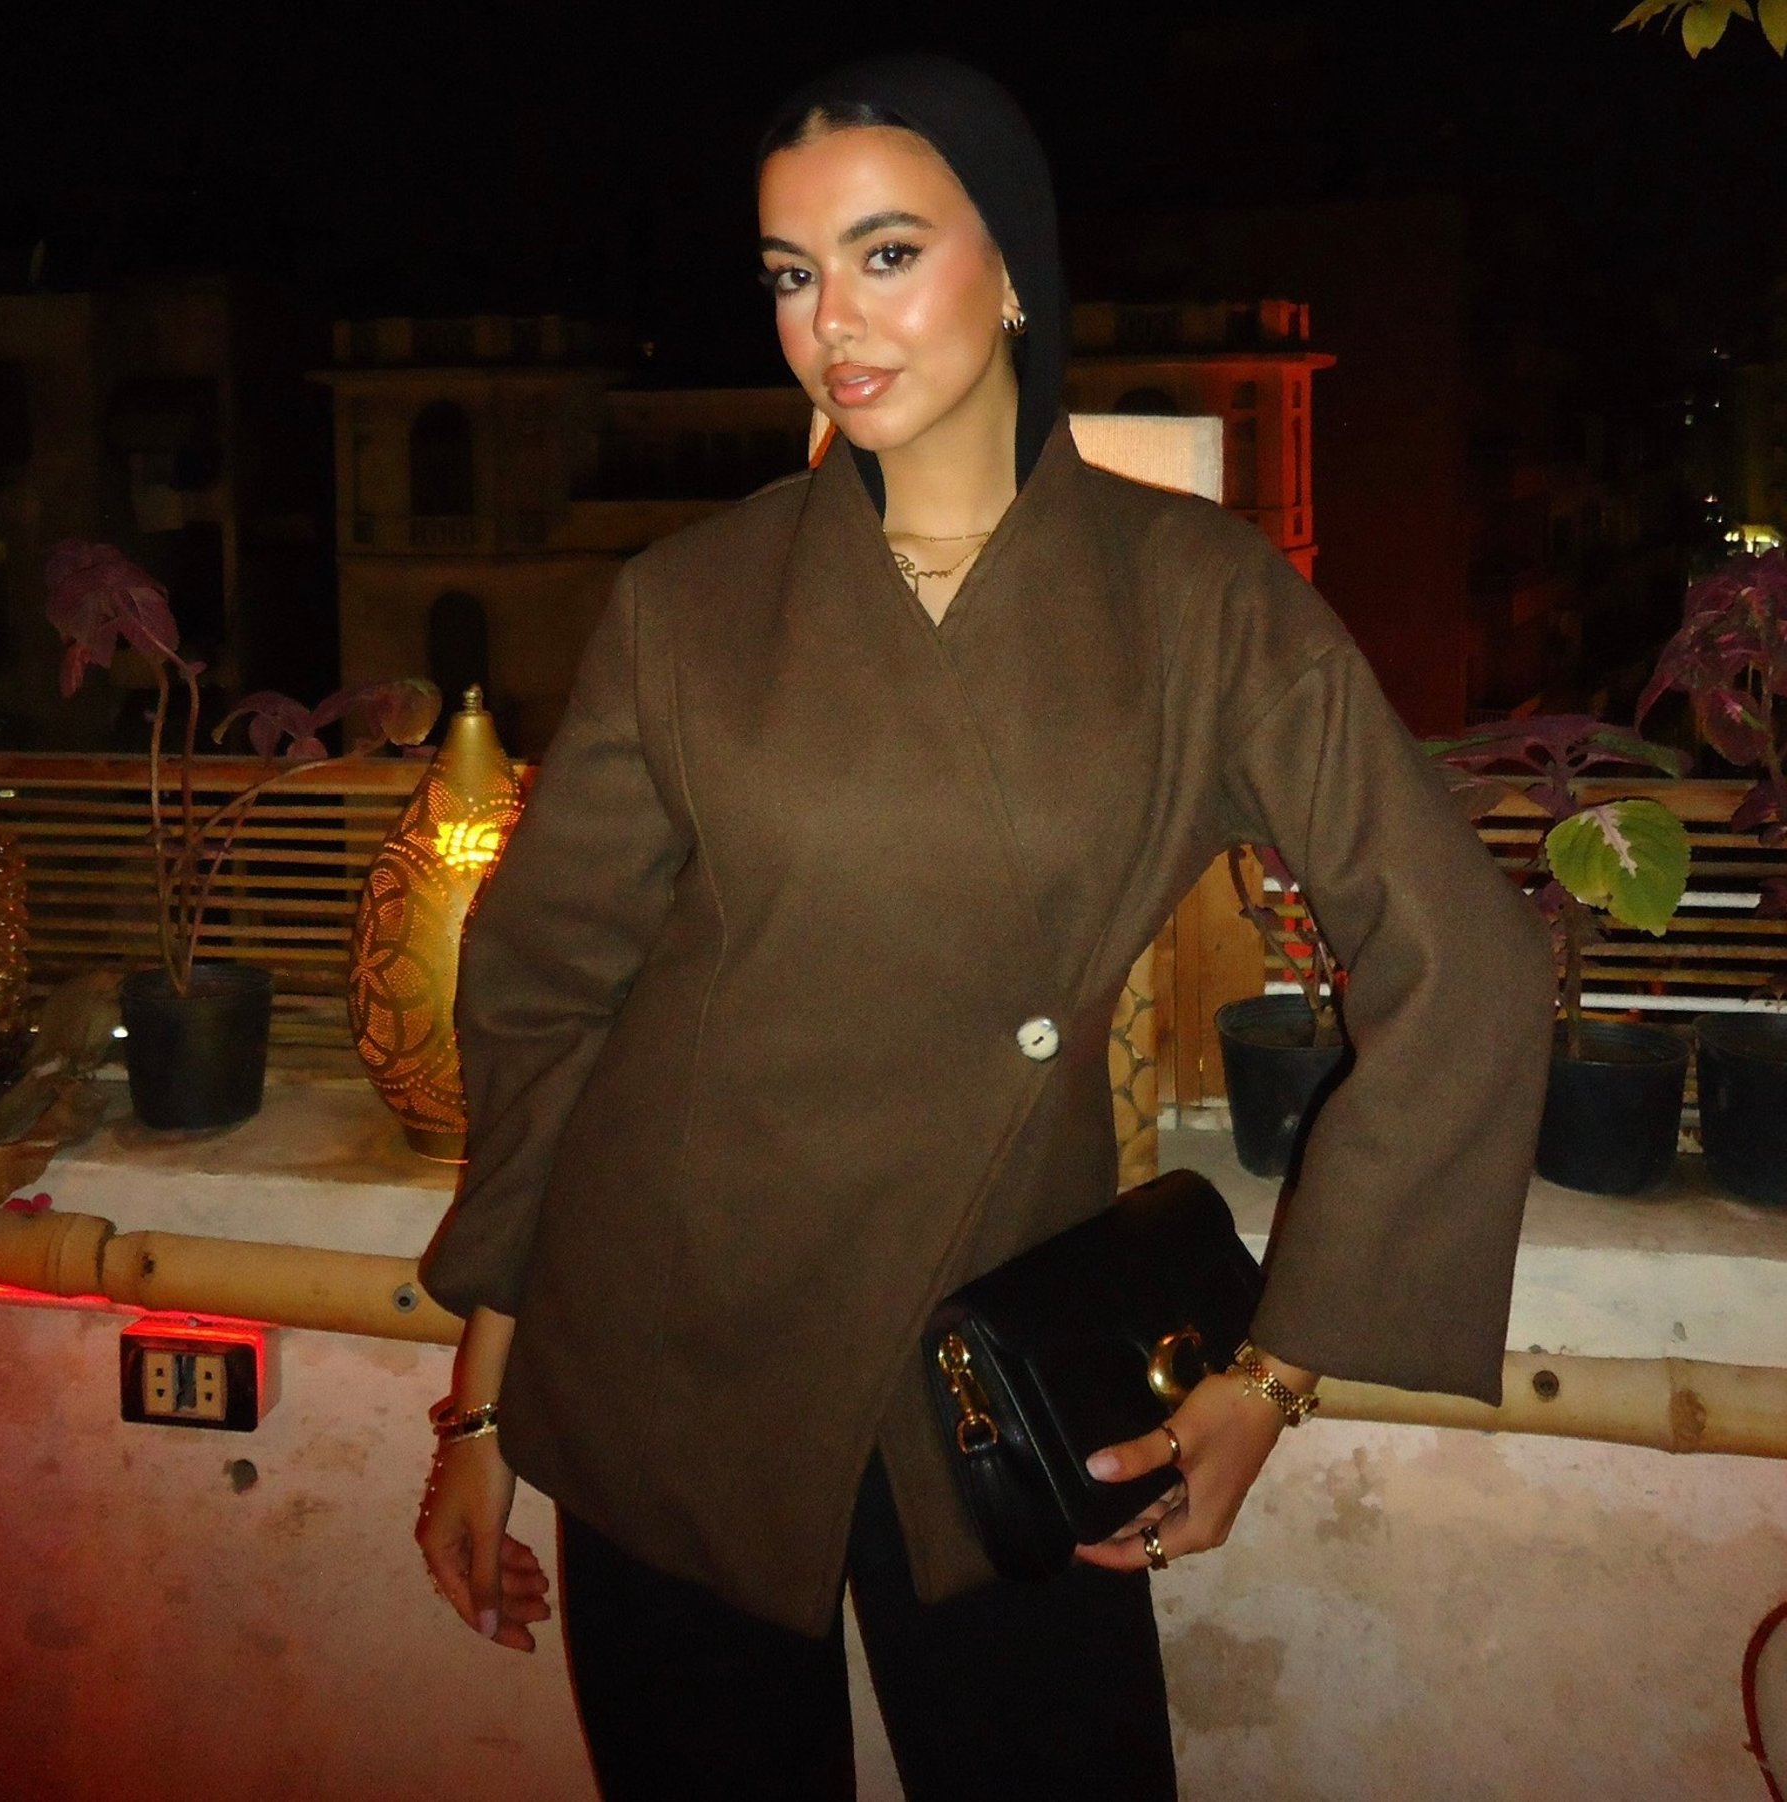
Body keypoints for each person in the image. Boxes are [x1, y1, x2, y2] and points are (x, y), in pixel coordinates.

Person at [415, 54, 1552, 1801]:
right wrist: (487, 1407)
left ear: (1014, 268)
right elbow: (550, 1007)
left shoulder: (1197, 596)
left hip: (998, 1367)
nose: (830, 320)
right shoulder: (690, 603)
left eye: (886, 253)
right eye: (791, 272)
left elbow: (1463, 965)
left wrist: (1274, 1373)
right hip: (670, 1363)